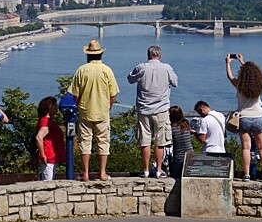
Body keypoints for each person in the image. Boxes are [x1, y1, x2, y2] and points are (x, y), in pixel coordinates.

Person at [68, 40, 120, 182]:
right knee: (103, 142)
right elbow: (113, 94)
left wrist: (80, 106)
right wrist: (107, 106)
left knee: (85, 142)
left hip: (85, 111)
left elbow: (75, 94)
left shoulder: (81, 70)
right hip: (102, 111)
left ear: (88, 55)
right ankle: (102, 173)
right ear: (101, 54)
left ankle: (85, 173)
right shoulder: (107, 70)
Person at [127, 45, 178, 178]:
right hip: (161, 109)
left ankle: (145, 170)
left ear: (148, 55)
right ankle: (159, 170)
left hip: (144, 109)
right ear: (159, 55)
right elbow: (175, 82)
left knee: (145, 141)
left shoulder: (141, 67)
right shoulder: (167, 68)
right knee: (160, 141)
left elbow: (130, 79)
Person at [226, 53, 262, 182]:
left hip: (244, 118)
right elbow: (251, 72)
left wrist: (228, 63)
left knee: (246, 147)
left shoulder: (239, 86)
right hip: (258, 117)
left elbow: (230, 77)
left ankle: (246, 174)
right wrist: (243, 62)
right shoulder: (259, 86)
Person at [36, 96, 66, 181]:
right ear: (49, 107)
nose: (56, 107)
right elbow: (39, 137)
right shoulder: (46, 121)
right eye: (54, 105)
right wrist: (42, 155)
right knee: (48, 181)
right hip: (48, 156)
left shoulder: (50, 121)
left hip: (52, 157)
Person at [169, 106, 194, 178]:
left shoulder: (172, 128)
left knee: (175, 177)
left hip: (179, 157)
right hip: (190, 155)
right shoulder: (186, 124)